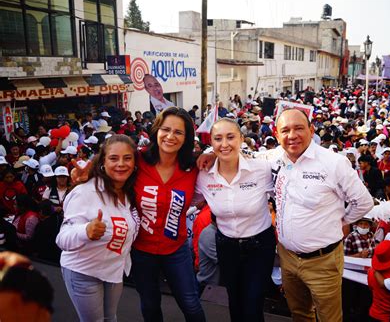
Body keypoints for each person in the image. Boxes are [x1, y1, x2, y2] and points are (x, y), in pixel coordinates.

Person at [271, 109, 374, 322]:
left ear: (311, 129)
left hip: (322, 261)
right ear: (276, 135)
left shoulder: (333, 163)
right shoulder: (273, 158)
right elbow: (238, 155)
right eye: (285, 130)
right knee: (299, 314)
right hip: (287, 257)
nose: (292, 135)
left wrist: (344, 221)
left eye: (299, 128)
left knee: (329, 319)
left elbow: (364, 202)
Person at [195, 118, 275, 321]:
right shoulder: (203, 175)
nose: (224, 144)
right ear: (211, 143)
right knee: (235, 302)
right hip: (226, 246)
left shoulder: (262, 169)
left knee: (253, 303)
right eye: (218, 139)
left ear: (241, 138)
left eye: (230, 137)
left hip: (259, 245)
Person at [130, 107, 205, 322]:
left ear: (186, 138)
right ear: (156, 131)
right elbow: (109, 161)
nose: (170, 136)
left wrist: (210, 154)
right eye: (166, 129)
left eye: (179, 132)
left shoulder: (194, 167)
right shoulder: (138, 159)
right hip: (141, 251)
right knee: (150, 305)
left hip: (176, 250)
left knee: (191, 304)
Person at [56, 135, 140, 322]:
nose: (121, 164)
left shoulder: (128, 191)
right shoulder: (85, 192)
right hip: (83, 272)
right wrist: (85, 230)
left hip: (113, 270)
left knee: (111, 318)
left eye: (127, 158)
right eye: (113, 158)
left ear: (135, 163)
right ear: (102, 162)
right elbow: (62, 238)